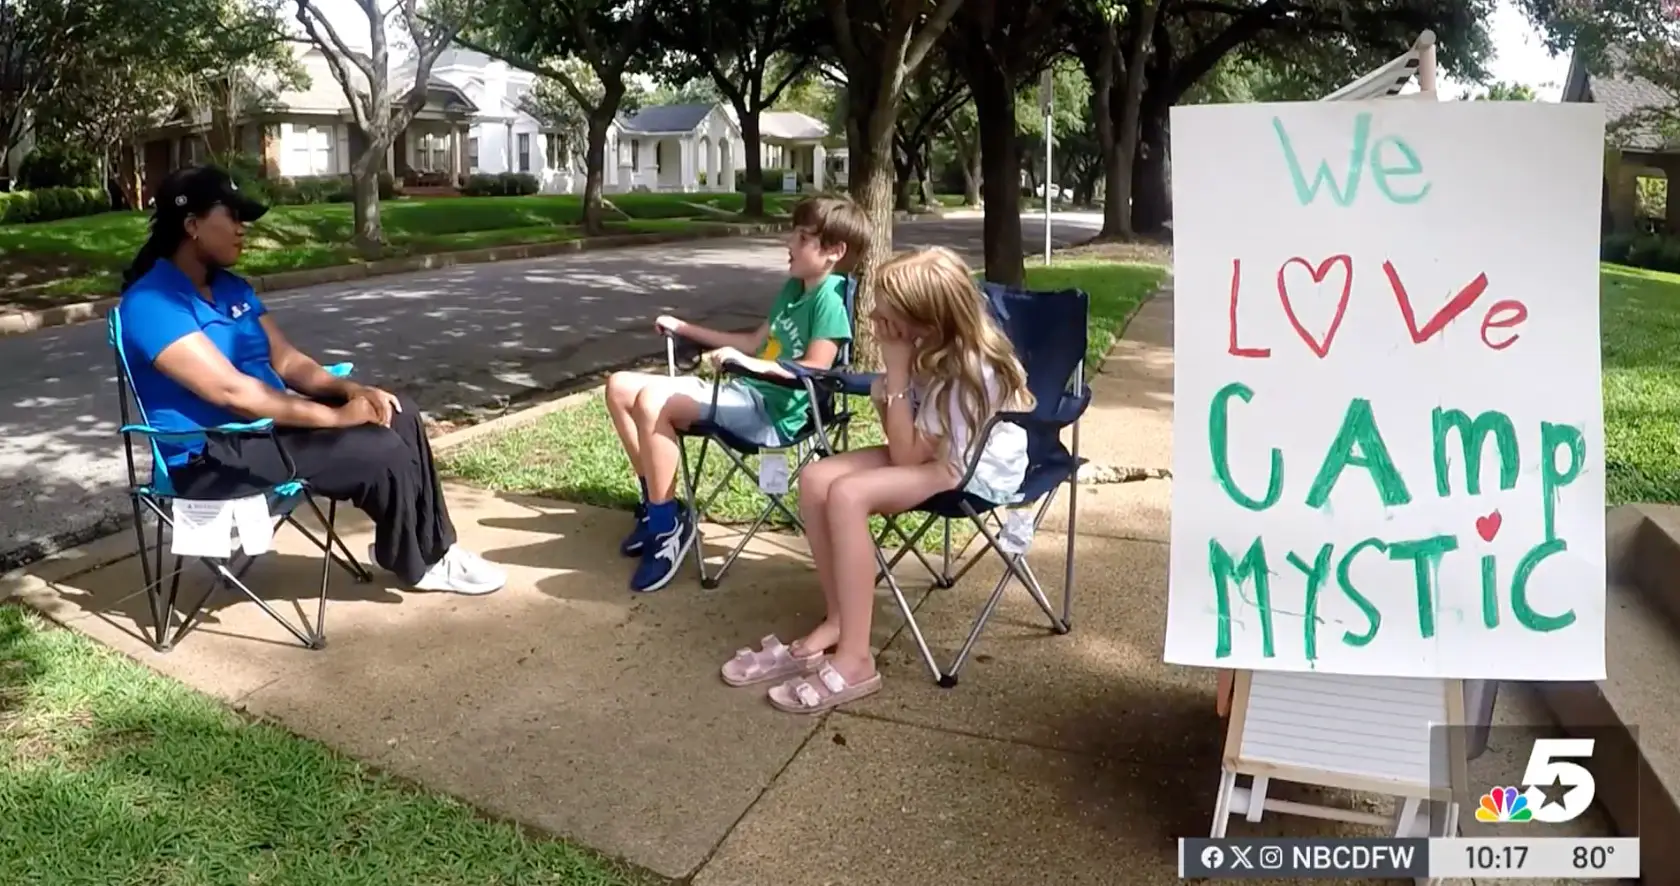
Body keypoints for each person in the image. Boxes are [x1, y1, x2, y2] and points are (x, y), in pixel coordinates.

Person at [116, 164, 506, 595]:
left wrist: (350, 391)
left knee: (400, 413)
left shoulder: (230, 288)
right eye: (233, 217)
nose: (243, 230)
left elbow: (287, 361)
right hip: (210, 455)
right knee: (376, 446)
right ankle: (420, 563)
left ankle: (426, 550)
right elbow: (234, 392)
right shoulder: (152, 303)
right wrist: (337, 419)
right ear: (192, 225)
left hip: (262, 435)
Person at [718, 246, 1035, 714]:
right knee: (815, 477)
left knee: (847, 494)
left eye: (886, 313)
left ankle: (856, 659)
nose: (873, 317)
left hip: (966, 466)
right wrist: (894, 380)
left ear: (924, 321)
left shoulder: (969, 368)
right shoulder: (929, 346)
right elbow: (902, 441)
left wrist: (898, 370)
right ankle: (839, 621)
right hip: (929, 449)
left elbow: (908, 455)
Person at [603, 195, 871, 593]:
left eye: (801, 237)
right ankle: (656, 506)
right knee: (620, 386)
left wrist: (751, 366)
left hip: (774, 413)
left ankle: (667, 530)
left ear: (834, 251)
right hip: (743, 392)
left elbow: (816, 369)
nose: (789, 244)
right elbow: (752, 341)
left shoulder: (829, 301)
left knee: (651, 401)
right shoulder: (793, 289)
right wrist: (685, 327)